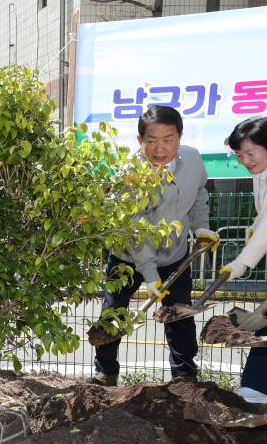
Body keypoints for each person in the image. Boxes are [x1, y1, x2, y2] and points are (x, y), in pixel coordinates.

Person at [88, 105, 219, 387]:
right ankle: (105, 373)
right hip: (127, 259)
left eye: (168, 139)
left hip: (175, 256)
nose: (160, 148)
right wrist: (150, 275)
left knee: (179, 317)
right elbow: (134, 228)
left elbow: (198, 195)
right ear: (139, 141)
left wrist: (201, 228)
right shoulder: (129, 174)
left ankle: (184, 377)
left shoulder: (193, 160)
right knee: (113, 315)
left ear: (180, 137)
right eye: (152, 141)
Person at [218, 117, 267, 403]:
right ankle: (255, 388)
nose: (245, 160)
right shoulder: (260, 174)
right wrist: (254, 226)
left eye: (251, 153)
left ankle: (256, 389)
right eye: (239, 155)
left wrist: (241, 262)